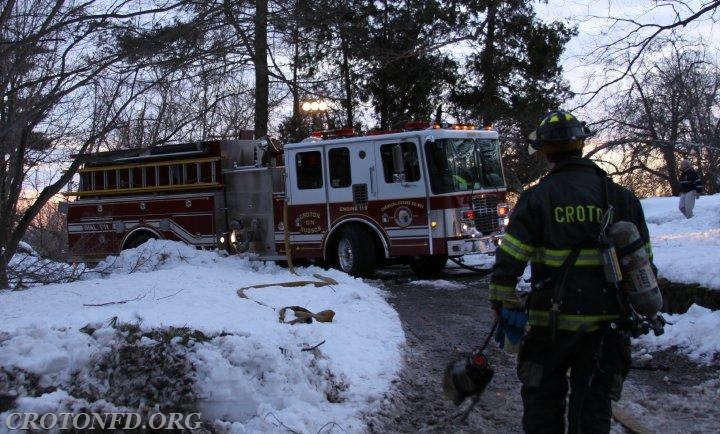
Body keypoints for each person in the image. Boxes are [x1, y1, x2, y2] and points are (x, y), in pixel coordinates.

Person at [489, 110, 655, 434]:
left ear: (545, 151)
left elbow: (510, 259)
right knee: (593, 410)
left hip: (549, 328)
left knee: (542, 406)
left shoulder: (537, 198)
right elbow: (645, 262)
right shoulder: (621, 198)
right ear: (581, 145)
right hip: (605, 329)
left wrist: (500, 304)